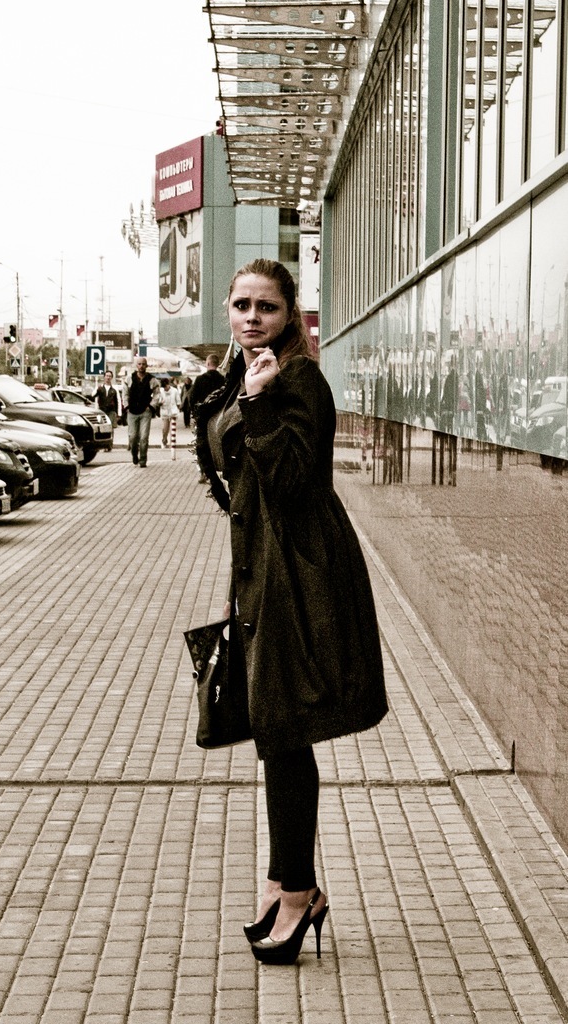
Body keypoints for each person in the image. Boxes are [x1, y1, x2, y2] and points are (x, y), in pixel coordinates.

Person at [194, 259, 388, 965]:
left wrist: (257, 402)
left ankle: (299, 891)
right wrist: (238, 583)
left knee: (284, 729)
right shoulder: (238, 376)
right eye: (242, 304)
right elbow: (237, 492)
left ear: (290, 314)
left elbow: (287, 479)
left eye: (267, 307)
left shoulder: (298, 379)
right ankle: (284, 883)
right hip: (262, 569)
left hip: (302, 571)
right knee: (276, 733)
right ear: (227, 308)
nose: (253, 318)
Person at [189, 353, 225, 482]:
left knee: (202, 445)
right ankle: (221, 471)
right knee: (218, 444)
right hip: (219, 418)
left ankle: (204, 472)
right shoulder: (223, 380)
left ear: (207, 363)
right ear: (218, 364)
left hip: (203, 418)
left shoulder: (200, 379)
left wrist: (194, 414)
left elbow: (191, 398)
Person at [123, 356, 160, 467]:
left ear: (146, 365)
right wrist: (126, 406)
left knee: (144, 437)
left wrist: (151, 406)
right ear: (136, 365)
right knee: (133, 437)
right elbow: (125, 393)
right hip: (132, 412)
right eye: (139, 364)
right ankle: (134, 454)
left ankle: (143, 460)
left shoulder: (151, 379)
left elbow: (157, 394)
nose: (141, 366)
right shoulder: (129, 378)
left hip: (145, 412)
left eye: (143, 364)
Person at [92, 370, 118, 449]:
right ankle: (104, 444)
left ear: (112, 378)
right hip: (102, 411)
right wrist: (97, 389)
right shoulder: (100, 388)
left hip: (111, 410)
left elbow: (117, 401)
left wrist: (118, 413)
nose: (108, 377)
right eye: (107, 376)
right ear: (104, 377)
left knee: (110, 428)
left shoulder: (114, 389)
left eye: (110, 376)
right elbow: (93, 395)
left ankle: (109, 445)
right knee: (103, 427)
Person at [158, 377, 180, 448]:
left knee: (172, 428)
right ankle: (164, 441)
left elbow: (178, 402)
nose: (165, 389)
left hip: (173, 412)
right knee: (165, 429)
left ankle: (172, 442)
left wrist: (177, 409)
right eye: (163, 387)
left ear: (168, 384)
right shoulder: (161, 391)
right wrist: (160, 403)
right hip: (165, 412)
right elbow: (158, 401)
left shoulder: (174, 391)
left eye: (166, 387)